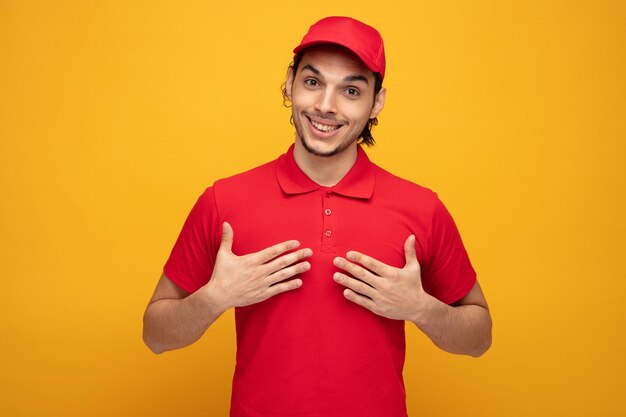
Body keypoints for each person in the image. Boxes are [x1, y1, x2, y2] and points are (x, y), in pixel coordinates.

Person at [143, 16, 492, 417]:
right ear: (290, 82)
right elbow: (155, 335)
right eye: (313, 82)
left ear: (376, 101)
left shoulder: (421, 208)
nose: (326, 105)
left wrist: (421, 308)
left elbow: (479, 339)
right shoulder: (224, 201)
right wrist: (213, 299)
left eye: (351, 90)